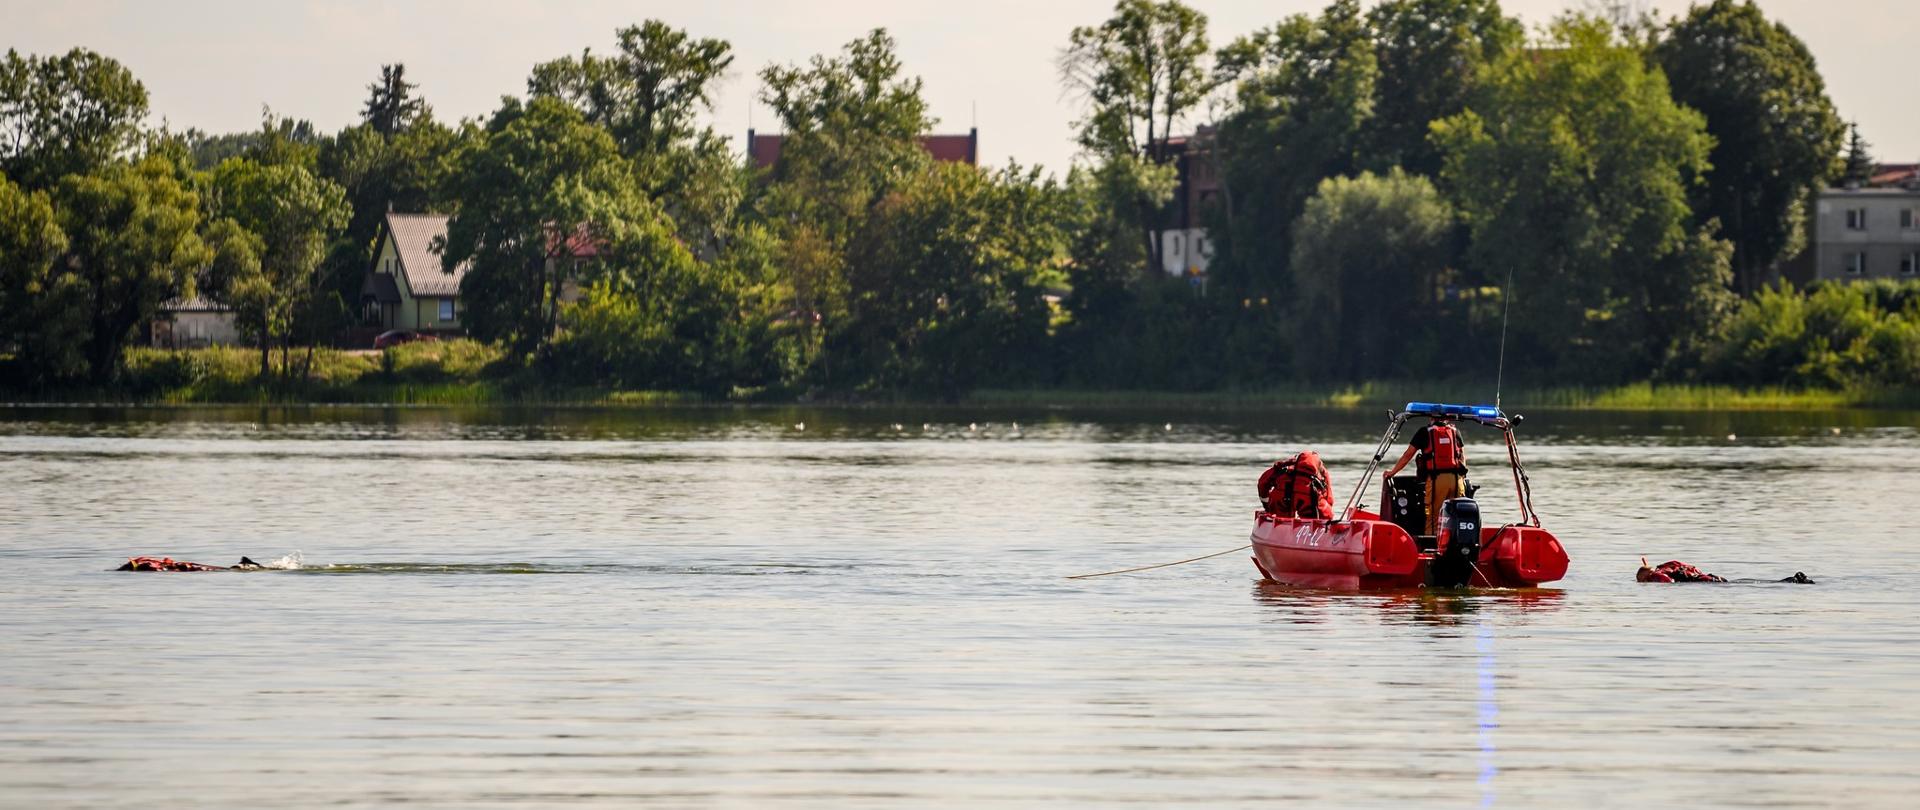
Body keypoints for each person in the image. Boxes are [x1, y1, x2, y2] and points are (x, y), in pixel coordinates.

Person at [1381, 416, 1468, 536]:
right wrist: (1462, 478)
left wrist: (1392, 472)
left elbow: (1408, 455)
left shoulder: (1424, 432)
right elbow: (1462, 457)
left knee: (1433, 515)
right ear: (1446, 419)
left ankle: (1430, 541)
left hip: (1437, 480)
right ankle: (1457, 541)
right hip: (1457, 480)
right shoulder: (1455, 432)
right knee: (1455, 514)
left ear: (1431, 418)